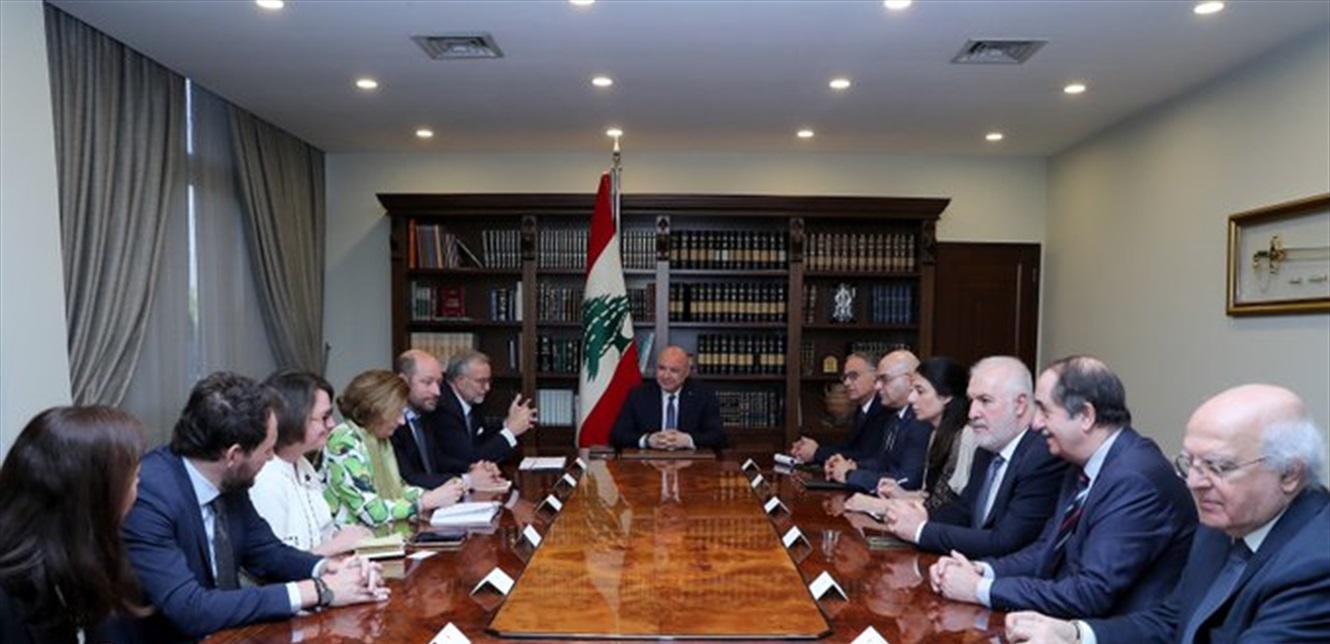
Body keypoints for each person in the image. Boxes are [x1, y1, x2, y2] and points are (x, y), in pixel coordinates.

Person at [1005, 384, 1330, 643]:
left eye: (1218, 467)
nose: (1194, 483)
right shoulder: (1222, 523)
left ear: (1290, 474)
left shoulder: (1316, 564)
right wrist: (1075, 634)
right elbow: (1172, 621)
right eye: (1190, 463)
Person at [119, 371, 387, 643]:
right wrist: (318, 590)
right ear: (234, 455)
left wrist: (327, 569)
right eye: (267, 450)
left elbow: (267, 552)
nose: (271, 459)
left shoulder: (229, 479)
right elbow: (191, 609)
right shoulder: (150, 495)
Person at [931, 356, 1196, 619]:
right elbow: (1045, 551)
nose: (1036, 423)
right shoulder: (1079, 463)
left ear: (1086, 416)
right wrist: (982, 570)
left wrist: (981, 589)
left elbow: (1090, 592)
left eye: (1045, 411)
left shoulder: (1134, 478)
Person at [847, 356, 1067, 558]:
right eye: (972, 401)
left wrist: (921, 530)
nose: (972, 413)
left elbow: (1005, 542)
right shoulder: (986, 449)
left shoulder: (1041, 456)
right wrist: (919, 515)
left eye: (985, 400)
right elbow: (962, 511)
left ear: (1019, 404)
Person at [1, 407, 148, 644]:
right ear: (93, 497)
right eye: (134, 477)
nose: (139, 487)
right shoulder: (10, 602)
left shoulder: (82, 554)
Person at [323, 369, 466, 533]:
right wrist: (425, 501)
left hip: (384, 538)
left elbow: (399, 489)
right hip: (353, 543)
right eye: (397, 413)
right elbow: (372, 512)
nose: (402, 421)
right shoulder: (343, 441)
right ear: (378, 410)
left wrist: (438, 494)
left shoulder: (379, 439)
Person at [249, 371, 372, 555]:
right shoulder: (264, 477)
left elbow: (320, 534)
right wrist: (338, 544)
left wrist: (346, 536)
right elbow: (274, 562)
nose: (332, 424)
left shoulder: (302, 464)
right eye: (324, 417)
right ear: (294, 418)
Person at [837, 356, 967, 502]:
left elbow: (917, 485)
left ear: (946, 396)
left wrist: (851, 476)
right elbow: (925, 495)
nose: (911, 398)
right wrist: (854, 466)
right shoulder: (903, 420)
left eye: (920, 391)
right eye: (913, 390)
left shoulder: (962, 438)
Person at [389, 349, 505, 490]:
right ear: (403, 382)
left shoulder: (423, 414)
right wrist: (467, 480)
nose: (437, 392)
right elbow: (408, 479)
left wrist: (471, 468)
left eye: (438, 383)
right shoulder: (390, 422)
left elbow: (437, 460)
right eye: (427, 382)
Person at [826, 349, 932, 492]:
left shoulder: (920, 421)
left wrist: (850, 475)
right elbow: (882, 462)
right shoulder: (895, 417)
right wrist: (853, 466)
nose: (877, 386)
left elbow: (907, 481)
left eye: (884, 379)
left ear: (909, 381)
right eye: (877, 380)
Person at [430, 349, 538, 473]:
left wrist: (507, 424)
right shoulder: (444, 409)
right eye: (481, 381)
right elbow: (471, 460)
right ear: (460, 381)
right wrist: (511, 431)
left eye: (489, 381)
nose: (487, 388)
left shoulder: (471, 400)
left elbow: (483, 442)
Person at [611, 345, 726, 450]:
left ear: (686, 373)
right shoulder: (638, 394)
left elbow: (718, 437)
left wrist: (688, 440)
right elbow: (617, 435)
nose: (666, 376)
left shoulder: (704, 395)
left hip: (690, 461)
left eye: (674, 370)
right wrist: (647, 440)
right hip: (648, 461)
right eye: (661, 368)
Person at [789, 352, 891, 464]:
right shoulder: (862, 408)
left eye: (853, 376)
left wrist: (816, 453)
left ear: (875, 377)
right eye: (845, 377)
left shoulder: (884, 409)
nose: (846, 383)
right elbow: (850, 448)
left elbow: (864, 455)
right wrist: (813, 449)